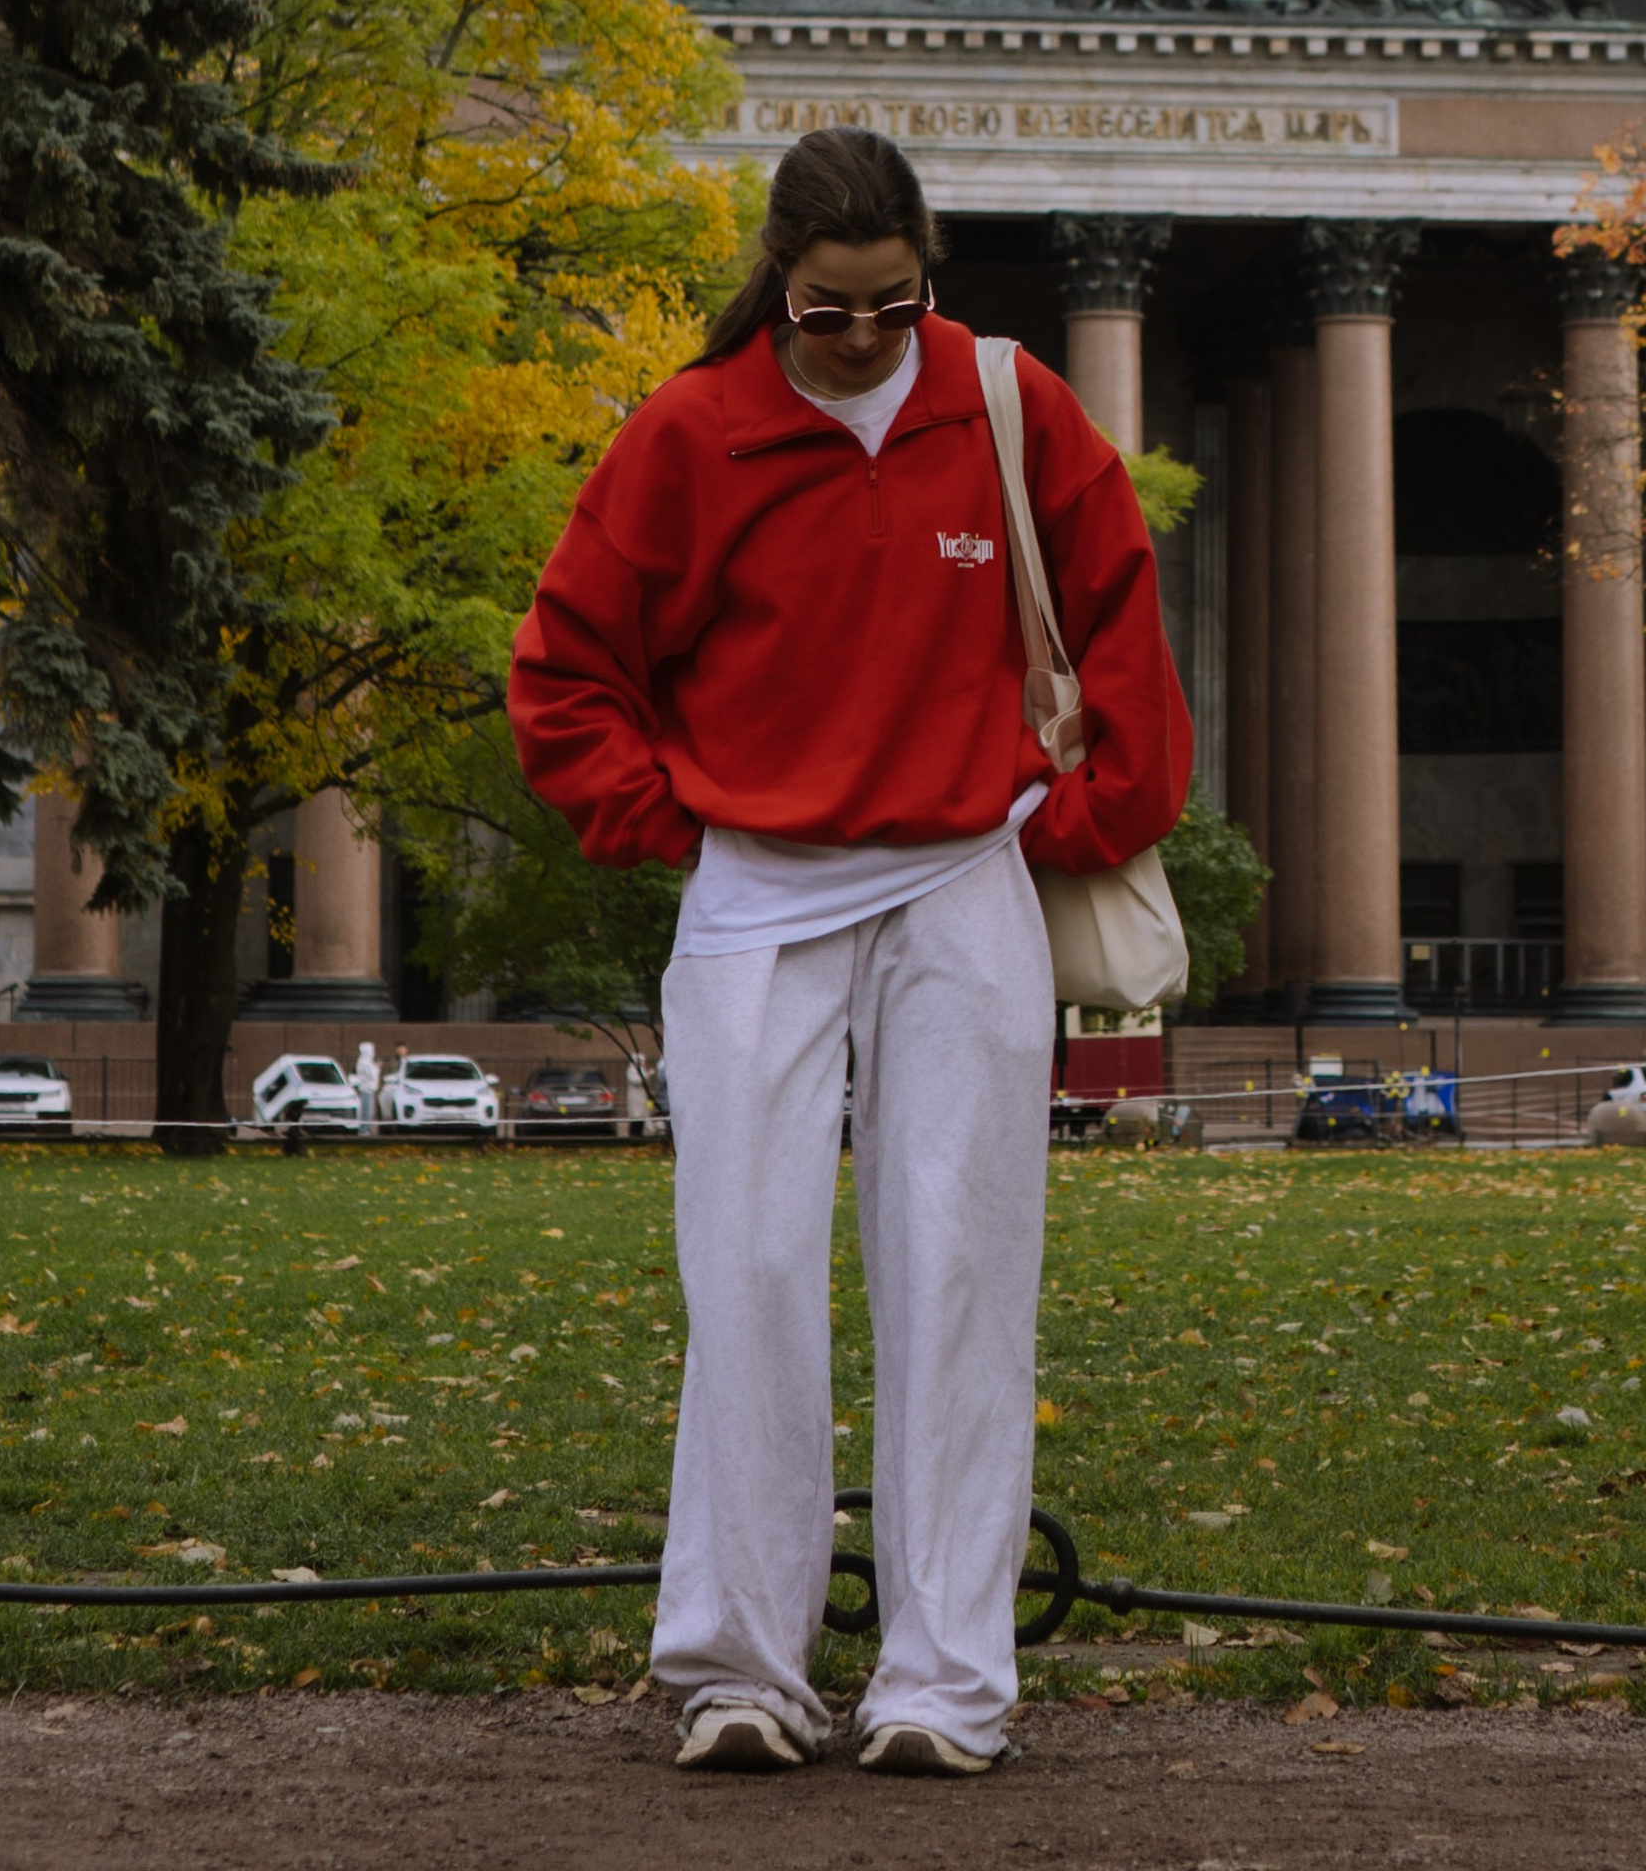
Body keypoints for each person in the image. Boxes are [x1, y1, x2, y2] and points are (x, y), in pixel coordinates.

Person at [508, 126, 1189, 1779]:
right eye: (830, 311)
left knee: (961, 1271)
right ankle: (741, 1664)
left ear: (927, 276)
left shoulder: (1013, 407)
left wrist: (1070, 826)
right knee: (742, 1276)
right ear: (779, 282)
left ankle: (946, 1681)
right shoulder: (694, 431)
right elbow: (563, 667)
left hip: (963, 875)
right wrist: (678, 826)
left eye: (897, 306)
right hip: (759, 889)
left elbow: (1124, 633)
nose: (866, 339)